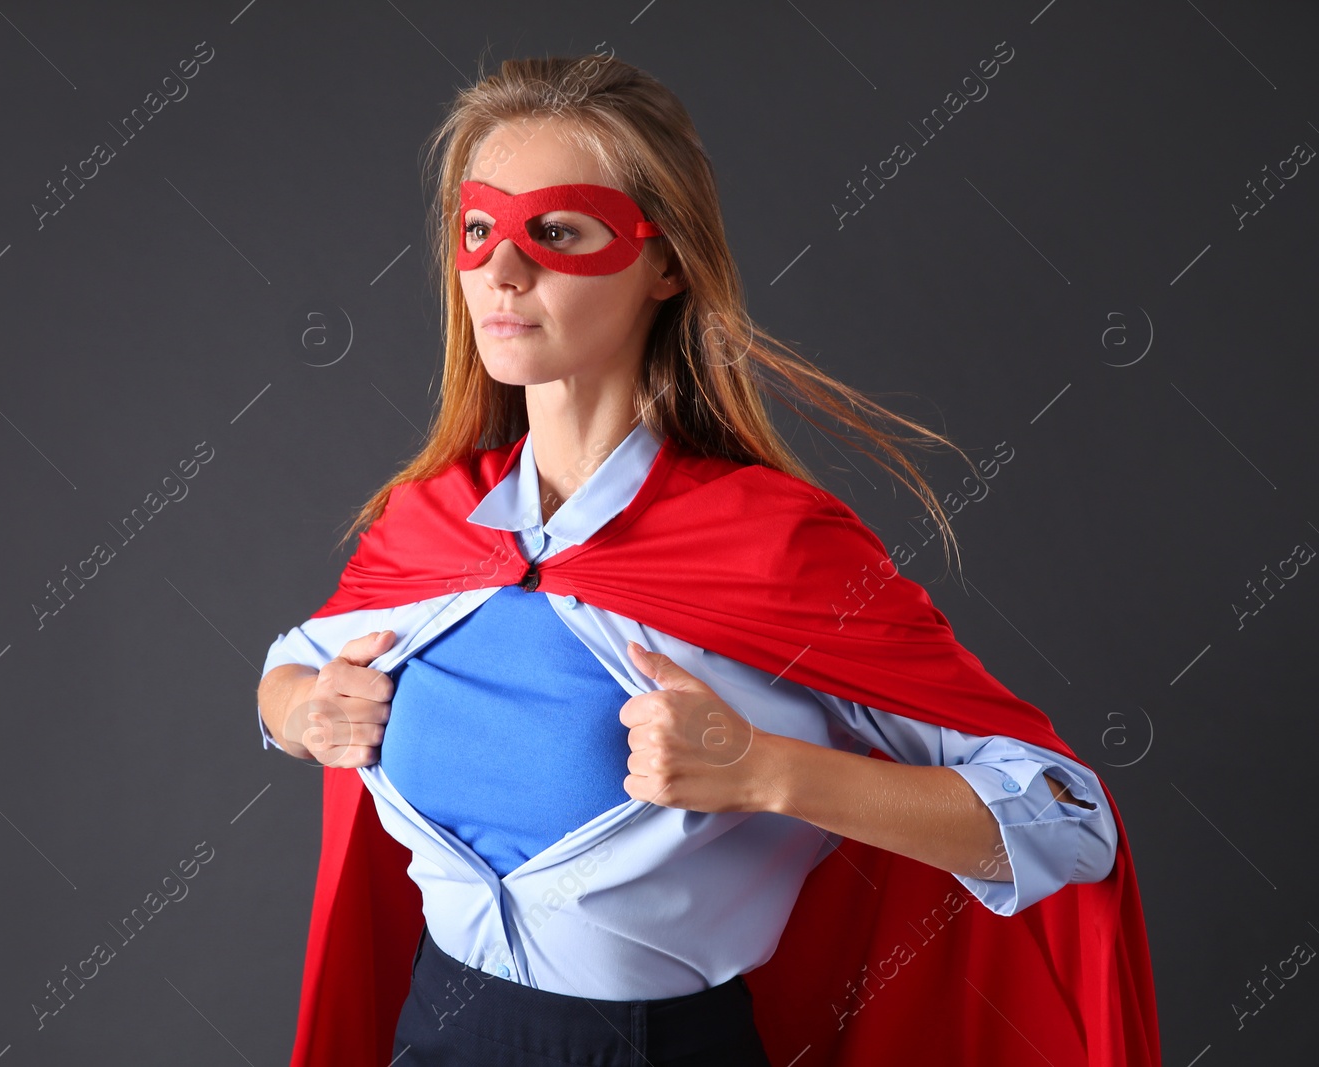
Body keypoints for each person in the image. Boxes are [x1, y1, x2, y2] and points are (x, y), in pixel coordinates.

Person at [256, 53, 1160, 1067]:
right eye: (478, 230)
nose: (502, 271)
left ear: (665, 261)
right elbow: (287, 667)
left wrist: (771, 771)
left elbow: (1071, 821)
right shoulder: (432, 523)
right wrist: (302, 708)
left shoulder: (774, 544)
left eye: (555, 230)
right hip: (429, 1032)